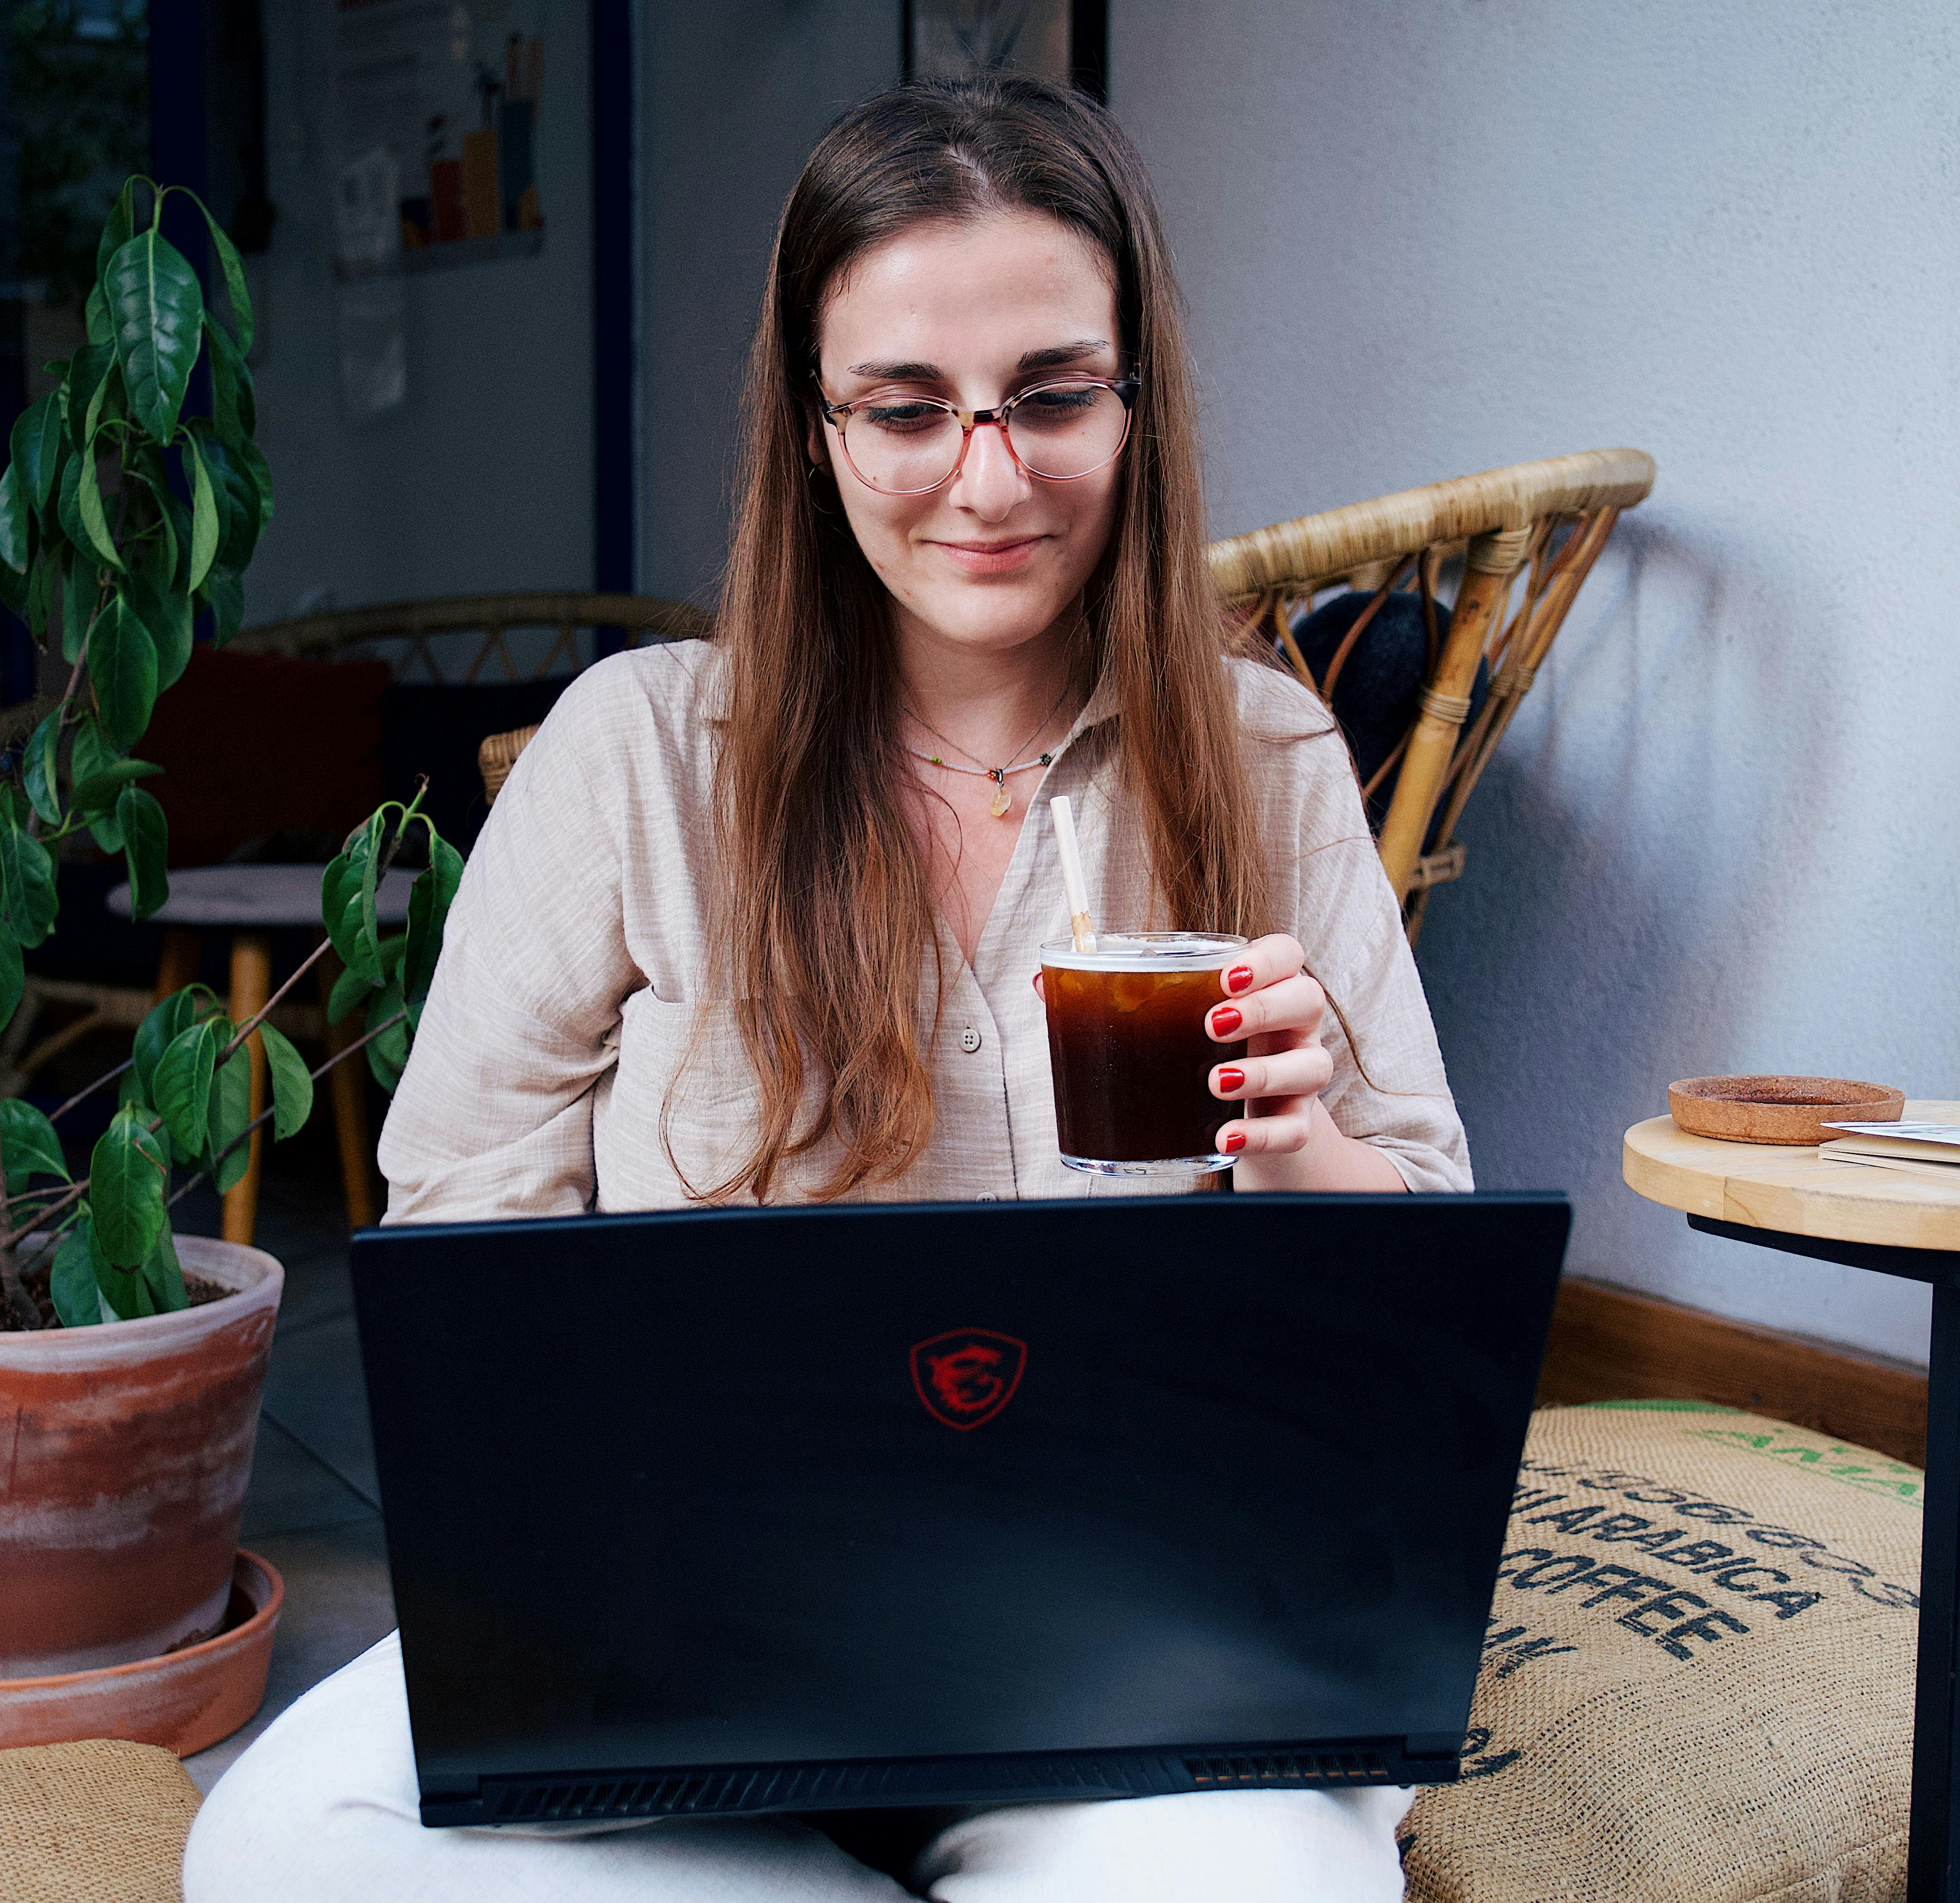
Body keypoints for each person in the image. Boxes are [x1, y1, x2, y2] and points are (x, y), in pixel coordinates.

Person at [184, 74, 1469, 1903]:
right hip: (681, 1650)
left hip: (1139, 1652)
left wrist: (1305, 1127)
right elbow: (467, 1259)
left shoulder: (1262, 754)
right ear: (810, 425)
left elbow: (1420, 1312)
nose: (988, 474)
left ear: (1135, 398)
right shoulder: (633, 753)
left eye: (1049, 394)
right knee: (279, 1844)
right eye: (906, 408)